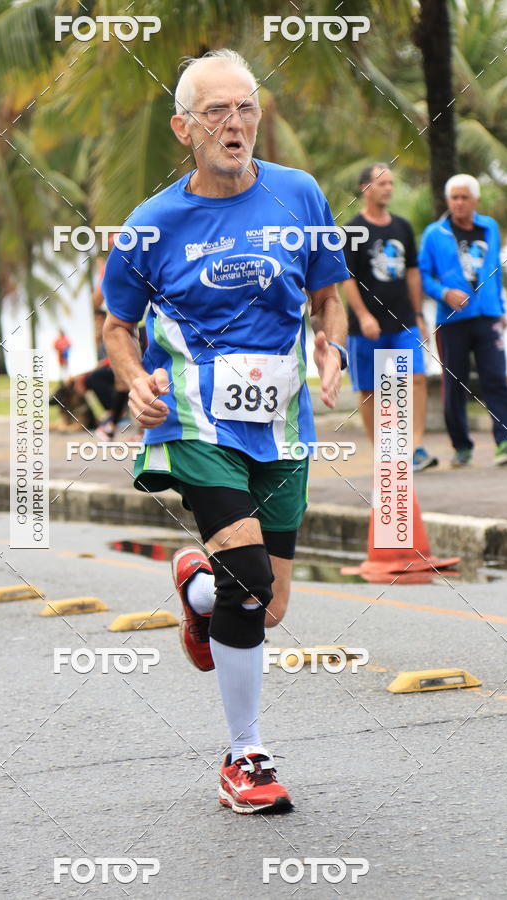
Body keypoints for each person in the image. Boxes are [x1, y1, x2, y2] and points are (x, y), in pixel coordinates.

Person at [103, 49, 349, 814]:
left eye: (245, 107)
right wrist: (135, 382)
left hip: (280, 420)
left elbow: (329, 297)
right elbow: (118, 325)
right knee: (250, 588)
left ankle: (196, 587)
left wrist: (332, 350)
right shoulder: (153, 225)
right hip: (196, 417)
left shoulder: (300, 195)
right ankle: (245, 757)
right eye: (216, 111)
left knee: (265, 604)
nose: (234, 122)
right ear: (185, 128)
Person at [341, 163, 437, 471]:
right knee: (370, 388)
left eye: (391, 183)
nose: (388, 189)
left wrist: (419, 313)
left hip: (404, 320)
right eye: (382, 183)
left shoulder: (403, 227)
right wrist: (363, 315)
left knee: (416, 379)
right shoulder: (352, 230)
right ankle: (383, 452)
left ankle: (416, 446)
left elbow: (412, 272)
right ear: (365, 188)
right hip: (365, 326)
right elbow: (348, 279)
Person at [419, 174, 507, 467]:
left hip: (488, 317)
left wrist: (500, 308)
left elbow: (494, 268)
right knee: (454, 383)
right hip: (452, 321)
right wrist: (444, 293)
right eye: (454, 198)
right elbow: (422, 275)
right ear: (448, 201)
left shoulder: (490, 228)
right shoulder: (435, 234)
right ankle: (462, 447)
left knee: (495, 378)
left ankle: (505, 441)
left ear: (475, 201)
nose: (459, 203)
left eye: (464, 197)